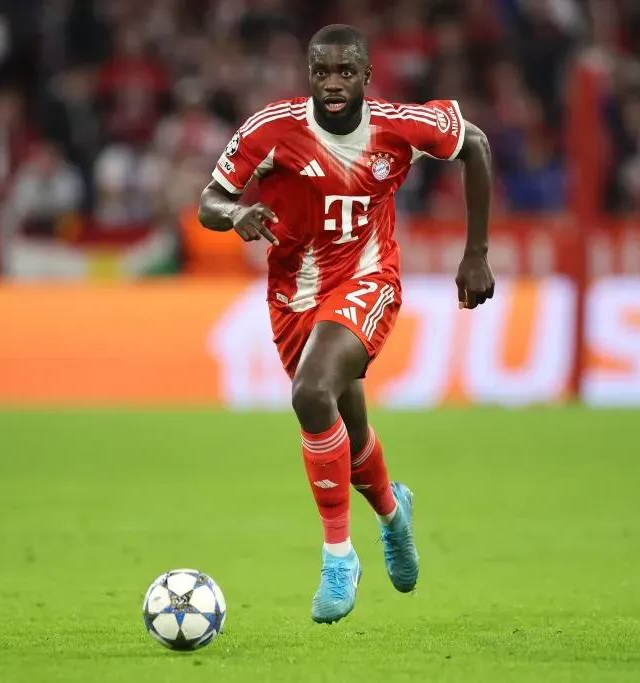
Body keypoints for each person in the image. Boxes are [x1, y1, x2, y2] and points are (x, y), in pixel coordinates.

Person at [197, 24, 495, 624]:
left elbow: (478, 146)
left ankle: (338, 556)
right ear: (309, 75)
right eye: (321, 72)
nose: (333, 84)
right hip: (293, 298)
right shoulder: (271, 129)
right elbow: (209, 200)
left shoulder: (398, 127)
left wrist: (476, 254)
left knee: (310, 393)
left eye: (345, 72)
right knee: (348, 431)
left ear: (366, 76)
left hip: (367, 280)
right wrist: (236, 214)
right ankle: (392, 512)